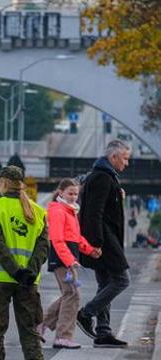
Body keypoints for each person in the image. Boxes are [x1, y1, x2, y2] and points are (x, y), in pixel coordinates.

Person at [0, 166, 49, 360]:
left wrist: (15, 271)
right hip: (28, 282)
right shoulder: (38, 211)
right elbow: (43, 247)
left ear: (3, 183)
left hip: (2, 278)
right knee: (29, 332)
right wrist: (28, 272)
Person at [77, 139, 131, 348]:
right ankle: (86, 313)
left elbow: (105, 208)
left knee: (105, 283)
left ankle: (103, 332)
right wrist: (96, 242)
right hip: (105, 241)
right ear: (113, 157)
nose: (126, 163)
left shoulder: (106, 177)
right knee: (121, 280)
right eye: (125, 158)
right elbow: (93, 213)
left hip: (106, 238)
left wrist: (118, 195)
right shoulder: (102, 177)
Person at [40, 178, 101, 349]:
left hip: (67, 259)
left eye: (76, 194)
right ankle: (62, 337)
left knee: (70, 294)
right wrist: (70, 260)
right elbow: (57, 239)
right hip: (63, 260)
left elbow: (75, 238)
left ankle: (41, 325)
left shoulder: (69, 211)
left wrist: (90, 250)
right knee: (72, 294)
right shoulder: (59, 211)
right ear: (61, 193)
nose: (74, 197)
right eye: (70, 193)